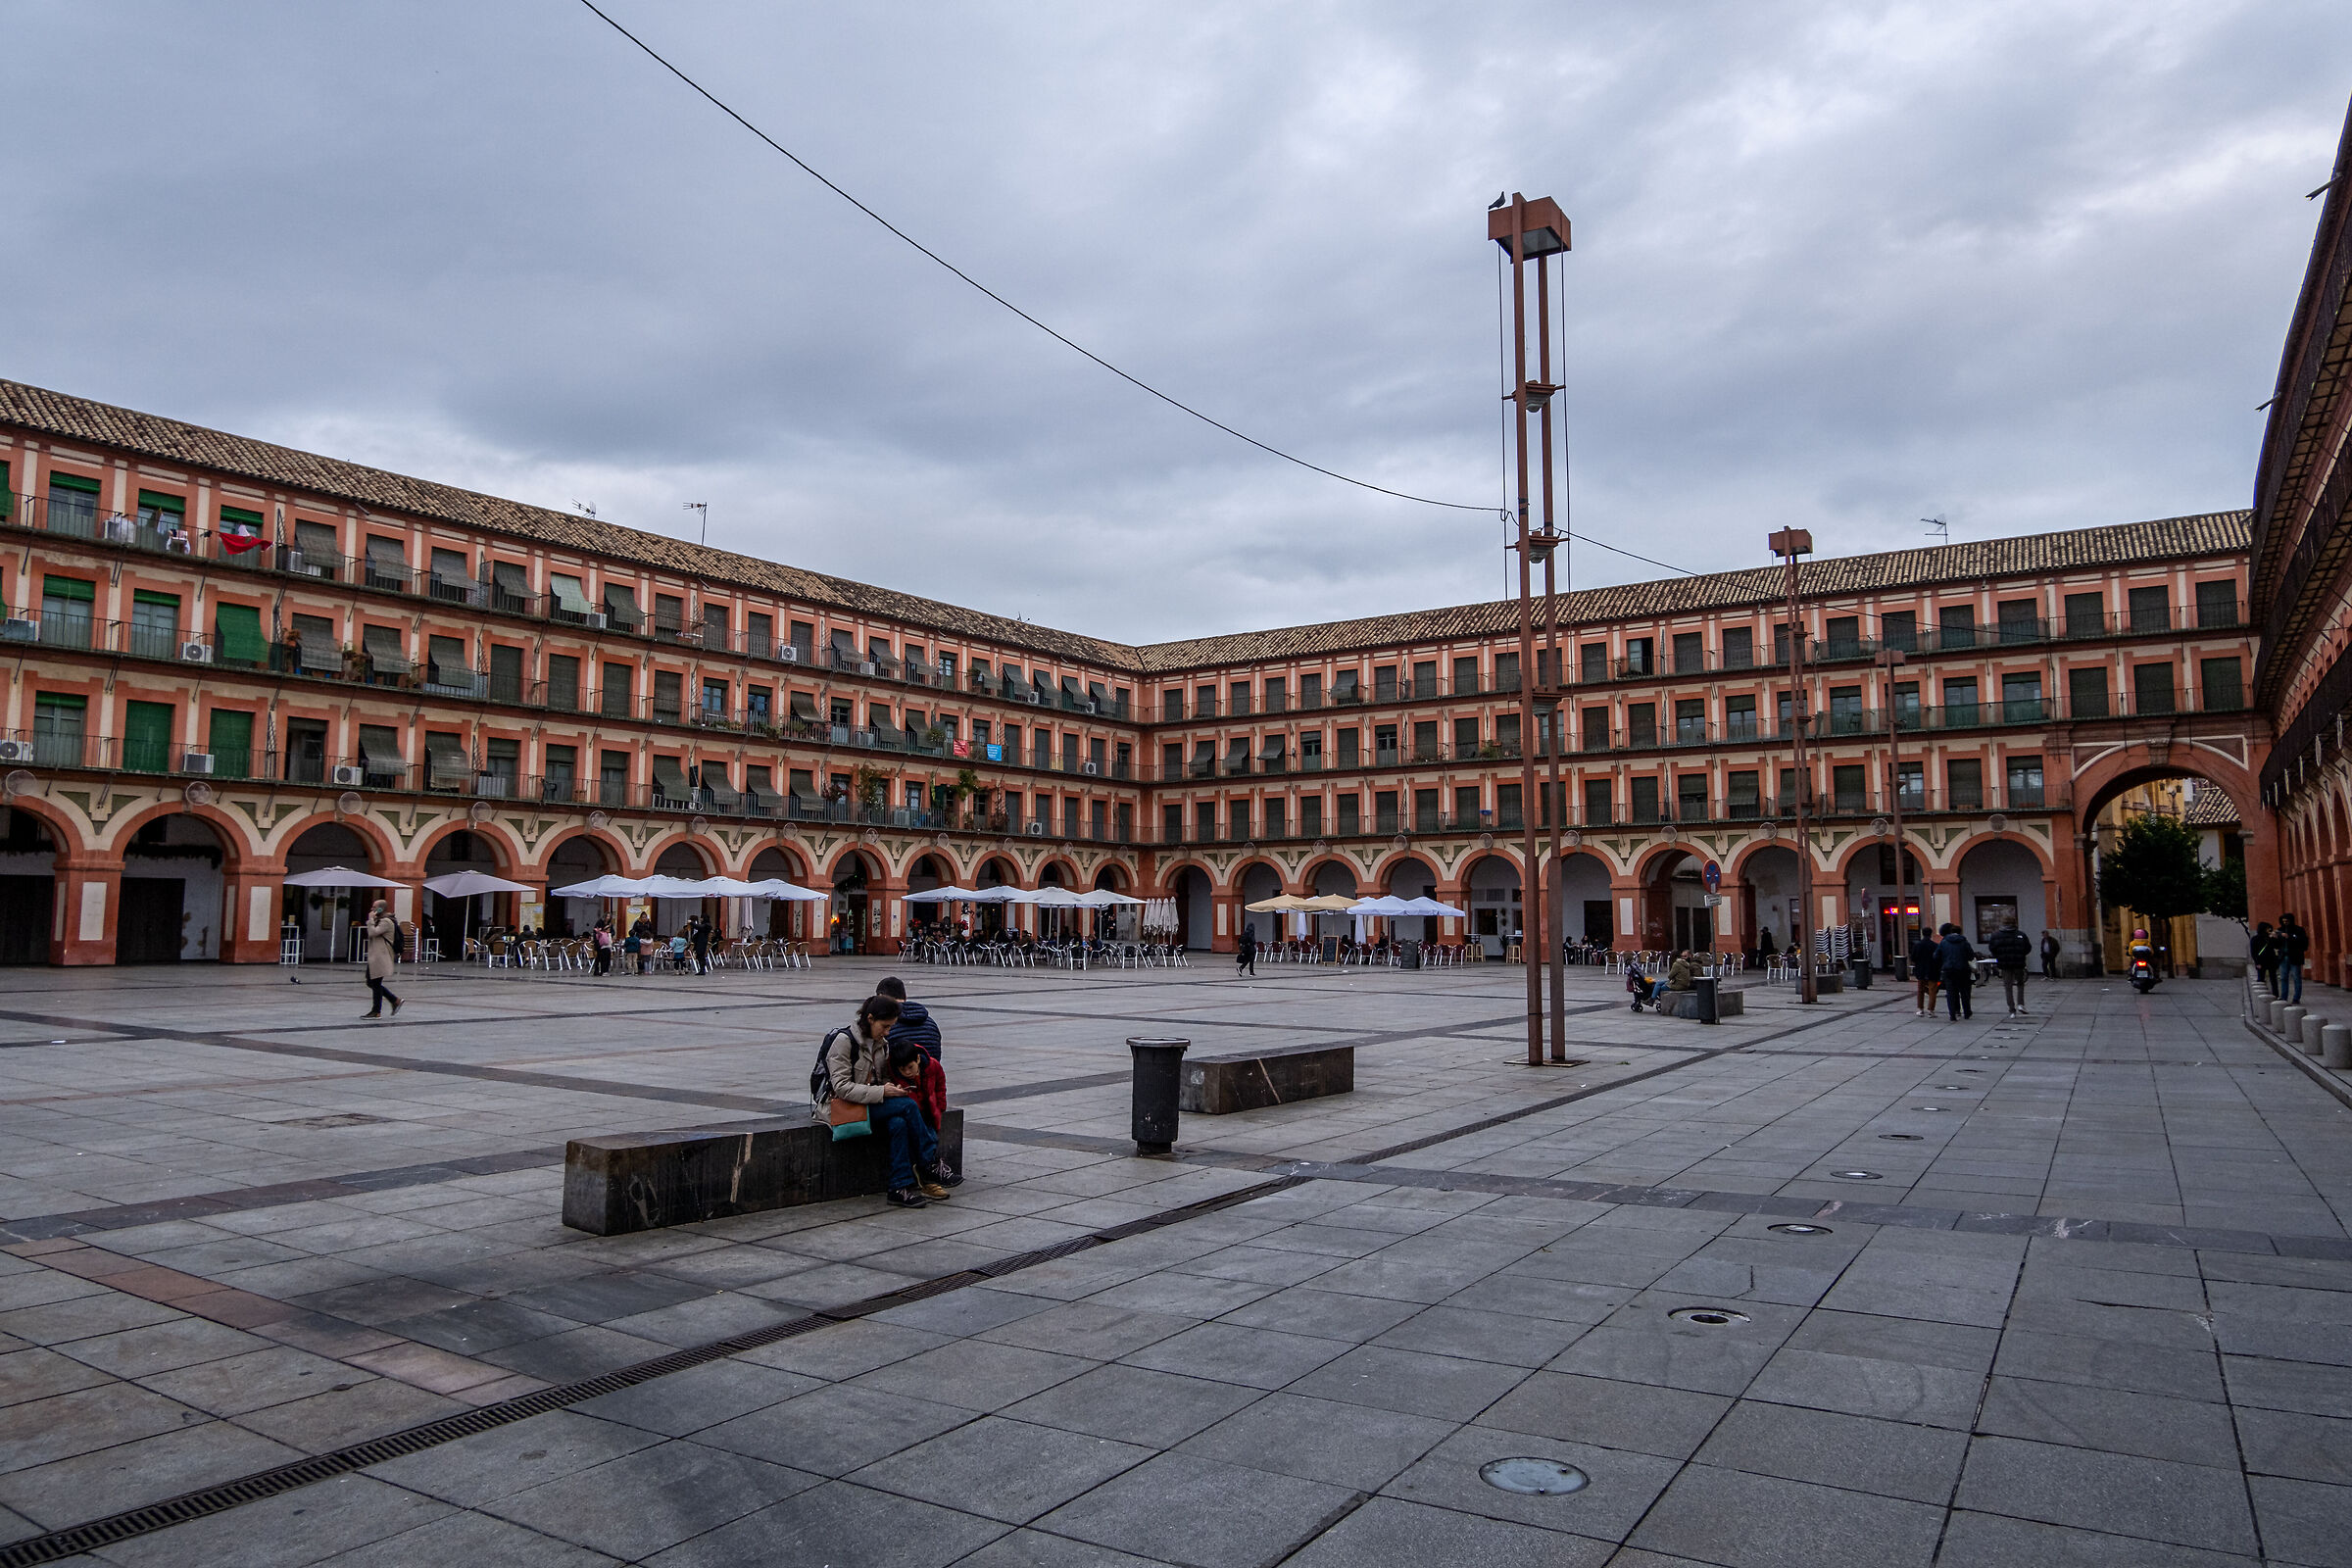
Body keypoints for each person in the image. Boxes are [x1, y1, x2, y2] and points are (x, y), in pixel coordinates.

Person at [819, 995, 952, 1207]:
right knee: (908, 1107)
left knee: (898, 1123)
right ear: (870, 1018)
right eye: (885, 1026)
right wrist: (883, 1092)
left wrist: (895, 1088)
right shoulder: (843, 1041)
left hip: (869, 1104)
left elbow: (885, 1079)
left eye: (891, 1027)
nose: (887, 1032)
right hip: (840, 1108)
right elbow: (841, 1088)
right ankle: (928, 1161)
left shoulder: (882, 1044)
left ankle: (899, 1187)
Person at [886, 1037, 960, 1187]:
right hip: (914, 1111)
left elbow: (941, 1085)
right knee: (919, 1133)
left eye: (910, 1067)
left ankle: (929, 1168)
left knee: (931, 1134)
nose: (907, 1072)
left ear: (918, 1060)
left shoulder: (932, 1066)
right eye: (902, 1069)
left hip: (929, 1110)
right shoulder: (895, 1075)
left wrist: (941, 1106)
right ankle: (931, 1167)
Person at [874, 976, 942, 1062]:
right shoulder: (931, 1023)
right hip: (930, 1073)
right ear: (905, 996)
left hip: (896, 1074)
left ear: (880, 997)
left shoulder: (884, 1025)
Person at [361, 899, 403, 1019]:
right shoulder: (380, 920)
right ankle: (394, 1000)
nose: (372, 909)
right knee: (371, 982)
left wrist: (370, 920)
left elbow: (373, 932)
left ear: (380, 909)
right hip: (376, 956)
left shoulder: (386, 921)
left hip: (381, 956)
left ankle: (376, 1011)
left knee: (375, 983)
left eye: (374, 907)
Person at [1987, 918, 2033, 1016]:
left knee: (2008, 986)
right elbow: (2028, 948)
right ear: (2014, 924)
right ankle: (2020, 1004)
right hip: (2018, 963)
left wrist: (1999, 957)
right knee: (2020, 983)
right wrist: (2020, 955)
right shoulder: (2021, 934)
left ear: (2003, 923)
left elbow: (1992, 948)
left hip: (2004, 964)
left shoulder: (1996, 935)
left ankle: (2012, 1009)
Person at [1936, 922, 1979, 1020]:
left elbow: (1936, 956)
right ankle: (1967, 1012)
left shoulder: (1944, 942)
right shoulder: (1964, 942)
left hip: (1949, 970)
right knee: (1964, 992)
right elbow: (1971, 956)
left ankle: (1952, 1014)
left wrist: (1944, 961)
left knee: (1950, 992)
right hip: (1963, 969)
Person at [1910, 927, 1943, 1017]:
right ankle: (1931, 1010)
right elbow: (1938, 958)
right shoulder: (1935, 945)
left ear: (1922, 933)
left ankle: (1920, 1009)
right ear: (1931, 934)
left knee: (1920, 990)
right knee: (1932, 991)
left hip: (1920, 970)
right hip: (1933, 970)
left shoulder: (1917, 945)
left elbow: (1913, 958)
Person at [2279, 913, 2310, 1004]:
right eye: (2283, 921)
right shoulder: (2280, 930)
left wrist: (2289, 937)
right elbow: (2276, 944)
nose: (2285, 923)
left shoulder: (2298, 930)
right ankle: (2284, 997)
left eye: (2287, 921)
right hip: (2283, 957)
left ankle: (2296, 998)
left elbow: (2303, 942)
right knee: (2283, 978)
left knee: (2296, 977)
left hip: (2295, 957)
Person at [2252, 920, 2278, 994]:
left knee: (2273, 979)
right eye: (2268, 929)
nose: (2269, 931)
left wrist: (2275, 938)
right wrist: (2257, 962)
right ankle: (2262, 994)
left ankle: (2275, 994)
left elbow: (2276, 946)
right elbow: (2253, 952)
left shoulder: (2270, 938)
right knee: (2261, 978)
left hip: (2271, 960)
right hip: (2261, 961)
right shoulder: (2255, 939)